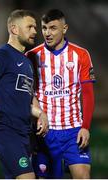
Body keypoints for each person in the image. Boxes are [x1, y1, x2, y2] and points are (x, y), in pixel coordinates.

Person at [0, 9, 48, 179]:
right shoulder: (2, 55)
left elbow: (26, 100)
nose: (35, 32)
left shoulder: (27, 63)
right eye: (30, 27)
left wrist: (40, 113)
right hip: (6, 130)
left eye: (35, 27)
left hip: (23, 134)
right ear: (14, 29)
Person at [26, 9, 95, 179]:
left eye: (53, 28)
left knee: (82, 175)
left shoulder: (81, 55)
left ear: (64, 29)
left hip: (74, 131)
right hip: (45, 133)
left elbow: (87, 94)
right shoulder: (32, 56)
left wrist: (85, 126)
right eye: (44, 28)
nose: (47, 33)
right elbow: (28, 94)